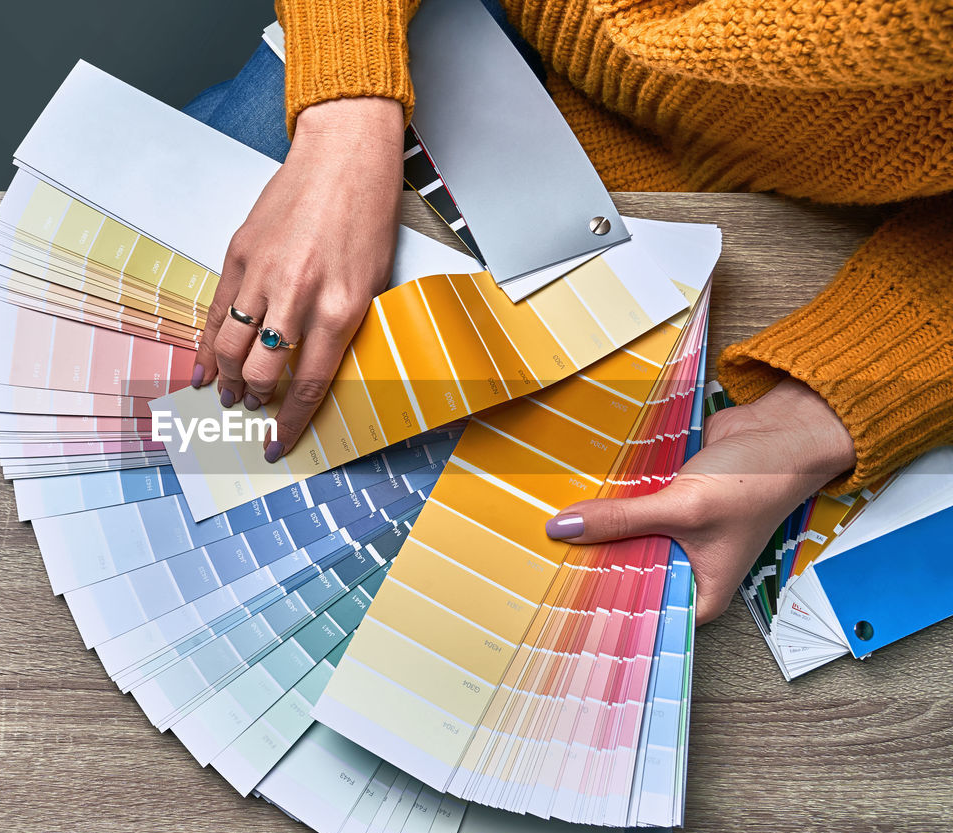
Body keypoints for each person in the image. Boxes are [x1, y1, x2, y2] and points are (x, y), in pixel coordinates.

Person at [183, 0, 952, 623]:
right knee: (178, 331)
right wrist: (345, 112)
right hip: (468, 29)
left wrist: (819, 413)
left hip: (815, 230)